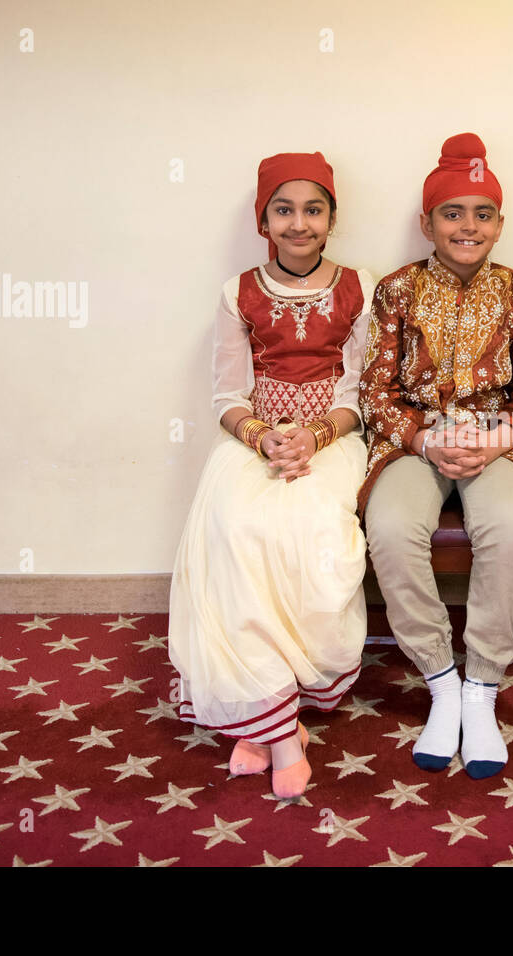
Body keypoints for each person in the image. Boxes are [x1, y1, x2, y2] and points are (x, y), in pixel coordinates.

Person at [168, 152, 373, 799]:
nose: (299, 223)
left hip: (334, 441)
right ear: (264, 220)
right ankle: (279, 729)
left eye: (313, 209)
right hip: (254, 439)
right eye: (283, 209)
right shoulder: (238, 291)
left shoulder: (361, 286)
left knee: (311, 530)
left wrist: (313, 436)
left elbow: (362, 390)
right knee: (235, 527)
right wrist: (264, 437)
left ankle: (263, 717)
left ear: (332, 217)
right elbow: (226, 395)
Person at [360, 133, 513, 780]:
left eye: (483, 213)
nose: (468, 226)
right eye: (452, 213)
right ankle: (441, 680)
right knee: (389, 527)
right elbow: (375, 391)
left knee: (507, 525)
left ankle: (483, 689)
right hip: (413, 439)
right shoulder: (395, 292)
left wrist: (497, 439)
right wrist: (423, 439)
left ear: (500, 223)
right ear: (426, 223)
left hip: (497, 438)